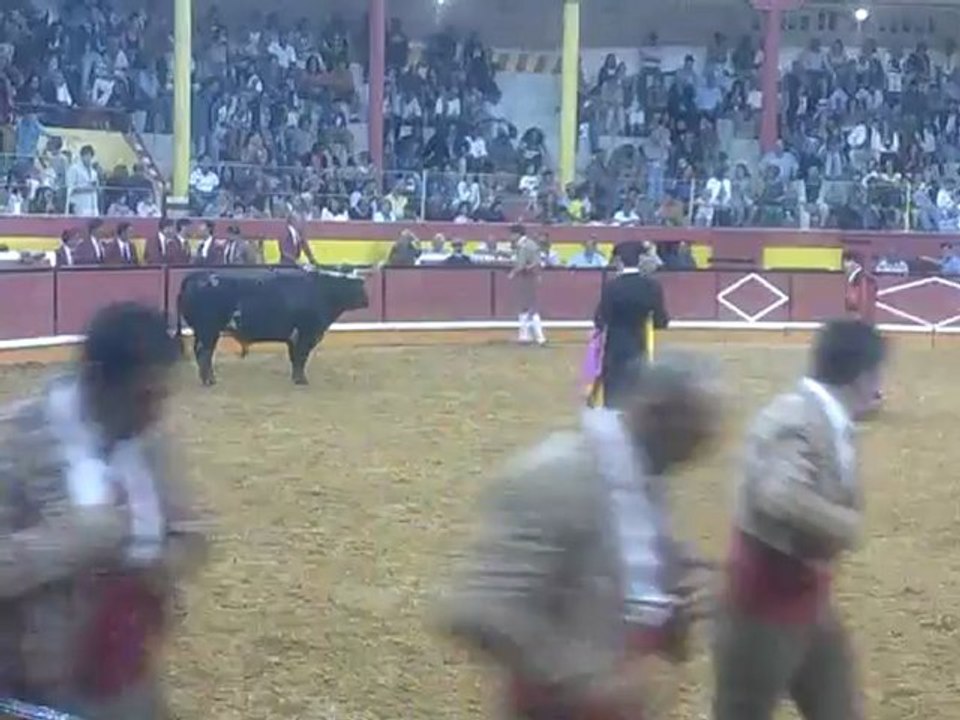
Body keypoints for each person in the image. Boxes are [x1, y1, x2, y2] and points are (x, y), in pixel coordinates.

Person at [436, 354, 721, 720]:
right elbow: (478, 608)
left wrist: (676, 605)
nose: (703, 449)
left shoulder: (647, 473)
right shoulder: (556, 476)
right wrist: (586, 681)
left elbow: (631, 589)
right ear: (659, 413)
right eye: (697, 432)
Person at [0, 302, 209, 719]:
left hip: (125, 678)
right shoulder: (15, 444)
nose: (154, 414)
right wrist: (74, 541)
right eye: (143, 397)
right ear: (97, 381)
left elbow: (192, 531)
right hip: (31, 690)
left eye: (162, 396)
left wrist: (159, 564)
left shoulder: (149, 438)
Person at [712, 319, 886, 720]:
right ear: (863, 376)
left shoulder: (821, 413)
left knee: (838, 708)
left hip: (807, 595)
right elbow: (778, 493)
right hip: (763, 602)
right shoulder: (798, 417)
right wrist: (842, 525)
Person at [594, 243, 670, 409]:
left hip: (615, 348)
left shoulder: (612, 287)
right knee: (637, 391)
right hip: (639, 345)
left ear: (620, 261)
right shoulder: (651, 286)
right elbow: (661, 321)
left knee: (613, 394)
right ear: (639, 261)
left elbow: (600, 320)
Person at [509, 224, 546, 346]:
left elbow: (525, 264)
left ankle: (538, 337)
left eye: (512, 234)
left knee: (529, 308)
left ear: (517, 234)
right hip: (530, 277)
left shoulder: (524, 245)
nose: (510, 237)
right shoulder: (529, 244)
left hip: (529, 278)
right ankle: (525, 336)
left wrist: (513, 273)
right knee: (526, 307)